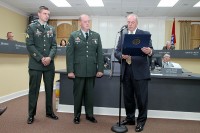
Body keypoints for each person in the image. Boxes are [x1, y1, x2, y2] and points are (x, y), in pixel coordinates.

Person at [115, 14, 153, 132]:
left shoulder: (144, 34)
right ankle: (130, 118)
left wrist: (149, 51)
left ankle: (141, 122)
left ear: (136, 23)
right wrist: (121, 55)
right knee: (128, 98)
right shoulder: (123, 36)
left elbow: (152, 50)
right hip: (126, 71)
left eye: (132, 22)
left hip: (140, 72)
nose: (129, 24)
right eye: (128, 22)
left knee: (141, 99)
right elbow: (116, 51)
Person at [66, 14, 104, 124]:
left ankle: (89, 115)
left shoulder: (96, 35)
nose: (88, 23)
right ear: (80, 23)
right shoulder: (74, 35)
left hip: (92, 70)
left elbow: (100, 54)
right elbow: (70, 54)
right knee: (78, 95)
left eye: (89, 21)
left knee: (90, 95)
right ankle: (76, 116)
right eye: (85, 21)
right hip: (78, 71)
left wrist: (100, 69)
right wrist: (70, 70)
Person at [26, 6, 58, 124]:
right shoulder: (31, 27)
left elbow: (54, 45)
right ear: (39, 14)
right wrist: (41, 58)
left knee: (50, 89)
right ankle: (31, 114)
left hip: (49, 65)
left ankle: (49, 112)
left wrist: (49, 57)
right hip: (35, 65)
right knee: (34, 90)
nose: (47, 16)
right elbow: (30, 45)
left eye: (48, 14)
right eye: (45, 13)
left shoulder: (51, 29)